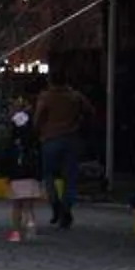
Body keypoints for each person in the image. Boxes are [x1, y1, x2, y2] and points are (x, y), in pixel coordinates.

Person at [35, 70, 95, 229]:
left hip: (50, 138)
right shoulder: (76, 96)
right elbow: (90, 111)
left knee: (48, 175)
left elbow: (38, 117)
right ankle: (67, 207)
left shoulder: (46, 97)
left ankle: (55, 203)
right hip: (72, 138)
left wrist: (39, 131)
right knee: (70, 177)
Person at [5, 102, 42, 242]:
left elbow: (6, 161)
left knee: (16, 206)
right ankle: (31, 224)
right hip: (31, 178)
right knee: (28, 206)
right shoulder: (33, 147)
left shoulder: (12, 146)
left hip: (16, 177)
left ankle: (15, 232)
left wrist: (8, 176)